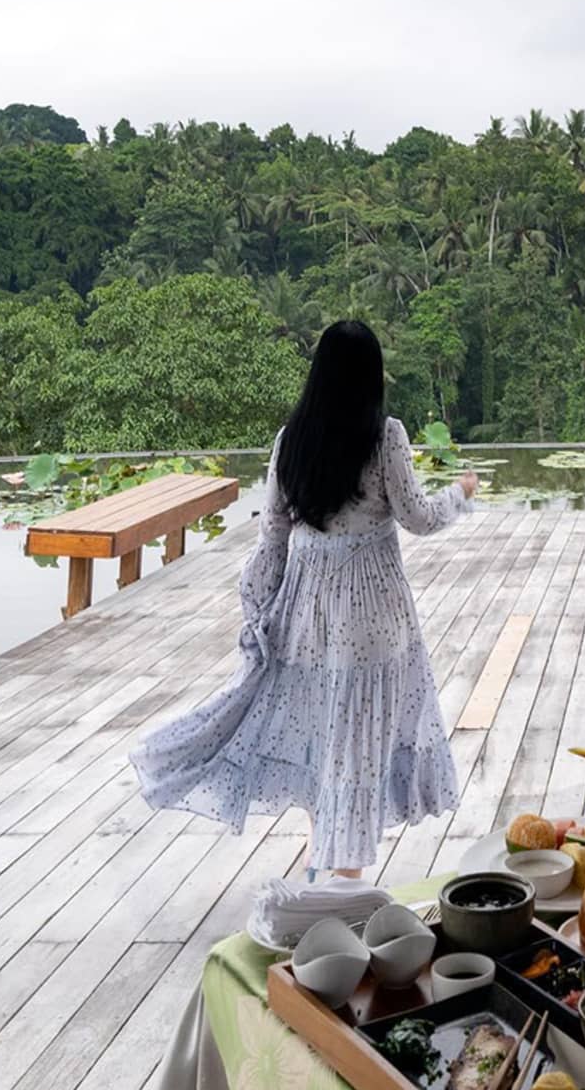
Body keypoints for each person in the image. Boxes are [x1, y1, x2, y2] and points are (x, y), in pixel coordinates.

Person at [131, 320, 478, 877]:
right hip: (371, 611)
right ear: (370, 378)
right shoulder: (385, 435)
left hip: (308, 610)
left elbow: (272, 533)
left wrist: (260, 610)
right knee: (360, 736)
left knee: (323, 732)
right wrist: (459, 495)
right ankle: (347, 878)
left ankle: (328, 859)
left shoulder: (291, 440)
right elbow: (416, 517)